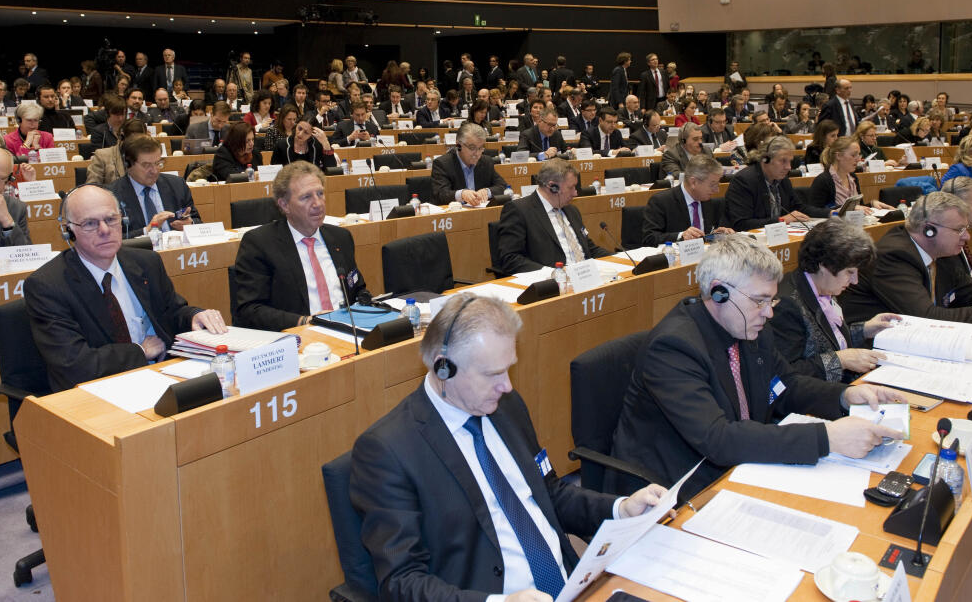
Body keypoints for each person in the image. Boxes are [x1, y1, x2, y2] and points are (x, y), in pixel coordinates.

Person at [350, 293, 667, 602]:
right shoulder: (388, 451)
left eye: (508, 369)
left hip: (572, 584)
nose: (507, 386)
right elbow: (402, 583)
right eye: (493, 374)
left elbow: (550, 494)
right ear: (442, 368)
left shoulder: (506, 406)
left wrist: (620, 509)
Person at [609, 235, 905, 497]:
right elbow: (718, 439)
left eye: (771, 301)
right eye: (759, 301)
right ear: (718, 292)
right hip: (675, 485)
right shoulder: (674, 347)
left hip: (739, 464)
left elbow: (784, 386)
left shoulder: (750, 326)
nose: (768, 313)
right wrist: (827, 438)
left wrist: (843, 396)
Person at [26, 184, 225, 392]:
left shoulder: (146, 262)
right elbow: (74, 364)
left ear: (123, 220)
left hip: (162, 376)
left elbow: (171, 312)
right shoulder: (48, 285)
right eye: (90, 224)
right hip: (98, 390)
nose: (104, 230)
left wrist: (194, 316)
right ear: (69, 231)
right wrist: (139, 352)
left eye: (111, 219)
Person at [840, 192, 972, 328]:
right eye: (959, 230)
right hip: (870, 350)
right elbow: (925, 317)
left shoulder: (941, 251)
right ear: (928, 230)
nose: (967, 237)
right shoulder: (893, 256)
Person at [232, 162, 369, 330]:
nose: (317, 203)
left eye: (320, 193)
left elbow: (357, 289)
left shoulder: (341, 237)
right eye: (306, 197)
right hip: (299, 337)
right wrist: (304, 321)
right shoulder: (259, 244)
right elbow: (249, 310)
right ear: (284, 205)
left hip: (348, 330)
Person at [771, 219, 895, 382]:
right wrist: (841, 360)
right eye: (849, 272)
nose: (854, 281)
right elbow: (786, 373)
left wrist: (863, 330)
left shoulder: (825, 284)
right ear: (824, 265)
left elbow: (824, 341)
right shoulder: (787, 305)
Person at [495, 158, 609, 274]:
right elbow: (510, 259)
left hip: (585, 276)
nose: (575, 193)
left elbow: (589, 249)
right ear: (552, 187)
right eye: (571, 187)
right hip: (552, 283)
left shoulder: (571, 210)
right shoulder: (519, 210)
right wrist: (553, 273)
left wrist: (620, 258)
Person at [725, 135, 827, 230]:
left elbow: (799, 208)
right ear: (765, 159)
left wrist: (831, 213)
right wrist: (781, 220)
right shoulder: (744, 181)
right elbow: (741, 224)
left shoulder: (782, 180)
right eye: (783, 161)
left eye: (790, 161)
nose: (789, 167)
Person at [109, 136, 200, 237]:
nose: (155, 170)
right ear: (128, 164)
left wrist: (190, 225)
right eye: (147, 165)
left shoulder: (177, 185)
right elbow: (110, 238)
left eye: (158, 163)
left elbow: (197, 221)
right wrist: (146, 231)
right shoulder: (112, 195)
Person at [642, 154, 730, 246]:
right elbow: (649, 238)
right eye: (712, 185)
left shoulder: (707, 200)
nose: (717, 190)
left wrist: (716, 234)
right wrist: (681, 236)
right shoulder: (661, 201)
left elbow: (705, 235)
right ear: (693, 182)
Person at [430, 122, 509, 205]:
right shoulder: (442, 164)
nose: (477, 153)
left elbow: (503, 186)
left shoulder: (486, 161)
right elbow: (440, 194)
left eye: (481, 148)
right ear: (458, 145)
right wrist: (462, 194)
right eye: (472, 148)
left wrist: (487, 191)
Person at [808, 137, 894, 213]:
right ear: (838, 156)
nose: (858, 159)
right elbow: (814, 211)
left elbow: (859, 207)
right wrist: (847, 209)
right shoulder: (823, 180)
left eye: (859, 154)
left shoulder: (853, 177)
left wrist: (872, 204)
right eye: (853, 155)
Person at [87, 119, 147, 186]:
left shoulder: (147, 156)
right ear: (122, 137)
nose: (135, 145)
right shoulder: (102, 156)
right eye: (132, 141)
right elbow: (92, 187)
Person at [270, 116, 337, 171]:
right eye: (299, 128)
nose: (300, 134)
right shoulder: (282, 145)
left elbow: (331, 169)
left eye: (306, 132)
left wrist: (326, 144)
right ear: (296, 126)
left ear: (312, 134)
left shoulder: (317, 145)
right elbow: (274, 173)